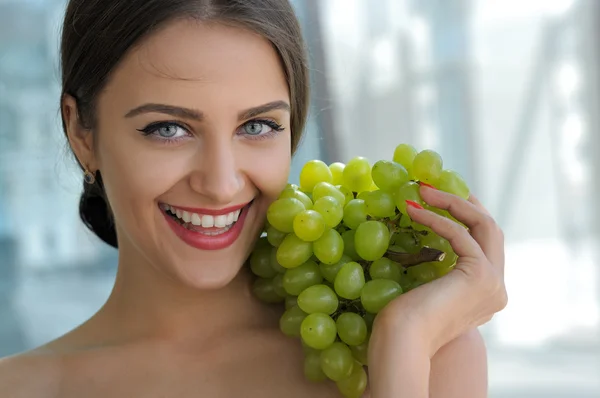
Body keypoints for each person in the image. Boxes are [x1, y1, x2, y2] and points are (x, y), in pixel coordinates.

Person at [0, 0, 507, 397]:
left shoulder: (425, 352)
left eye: (258, 125)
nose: (221, 183)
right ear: (82, 132)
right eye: (169, 128)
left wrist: (403, 346)